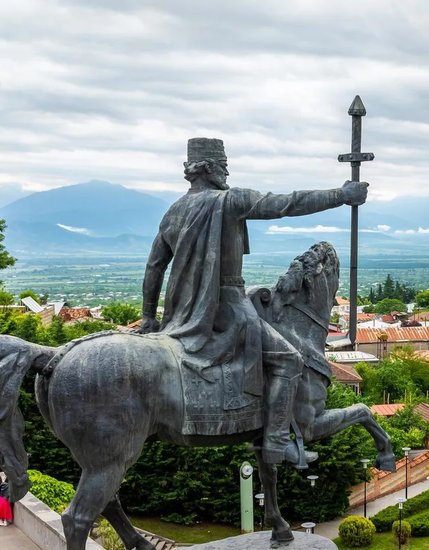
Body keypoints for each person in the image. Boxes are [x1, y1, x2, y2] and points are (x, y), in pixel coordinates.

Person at [137, 138, 367, 469]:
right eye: (224, 164)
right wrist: (341, 196)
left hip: (180, 312)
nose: (227, 171)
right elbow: (287, 203)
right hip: (228, 306)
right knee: (289, 359)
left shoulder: (173, 213)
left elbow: (154, 267)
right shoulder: (231, 200)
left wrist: (149, 318)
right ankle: (277, 444)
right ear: (210, 168)